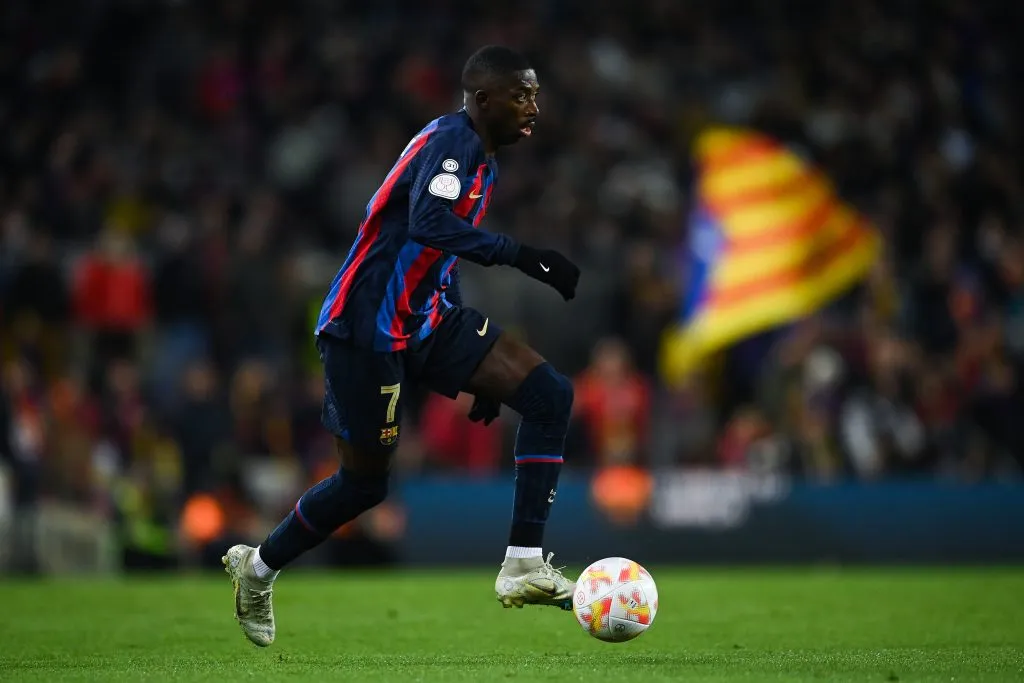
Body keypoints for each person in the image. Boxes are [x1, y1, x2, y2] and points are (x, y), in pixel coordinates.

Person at [222, 45, 581, 647]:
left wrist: (475, 370)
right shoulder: (454, 144)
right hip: (365, 328)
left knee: (547, 394)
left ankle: (522, 560)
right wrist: (523, 256)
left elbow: (439, 251)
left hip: (428, 318)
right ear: (483, 99)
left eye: (536, 94)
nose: (534, 107)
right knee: (365, 485)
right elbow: (429, 225)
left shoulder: (482, 160)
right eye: (522, 95)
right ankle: (257, 568)